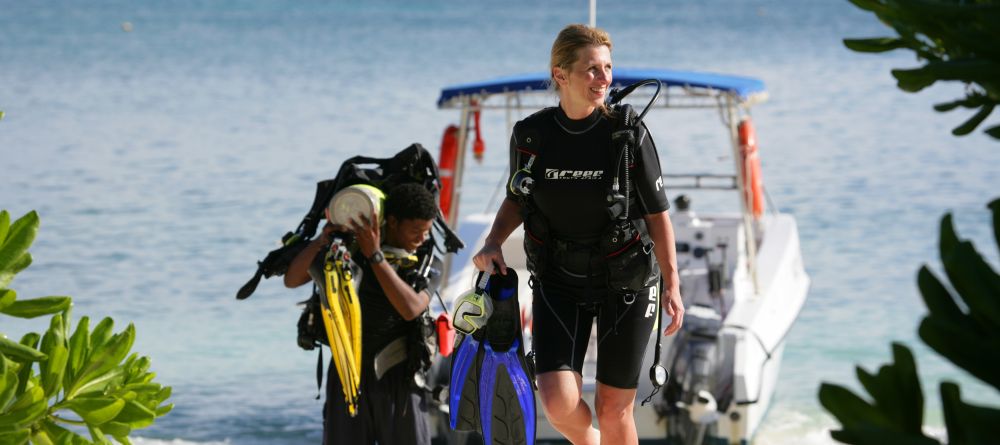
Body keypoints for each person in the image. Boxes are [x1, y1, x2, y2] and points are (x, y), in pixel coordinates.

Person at [471, 24, 684, 445]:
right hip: (558, 280)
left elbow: (659, 215)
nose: (604, 79)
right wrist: (493, 240)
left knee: (613, 407)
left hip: (626, 282)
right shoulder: (532, 136)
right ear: (561, 75)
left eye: (607, 68)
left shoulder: (627, 135)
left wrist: (673, 281)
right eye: (591, 70)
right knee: (557, 403)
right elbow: (518, 197)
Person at [285, 182, 441, 445]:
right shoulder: (347, 255)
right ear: (391, 222)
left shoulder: (426, 264)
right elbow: (292, 279)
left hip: (399, 377)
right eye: (416, 231)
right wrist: (321, 241)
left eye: (426, 232)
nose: (422, 239)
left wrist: (376, 257)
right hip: (347, 373)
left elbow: (411, 309)